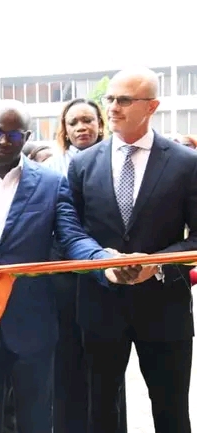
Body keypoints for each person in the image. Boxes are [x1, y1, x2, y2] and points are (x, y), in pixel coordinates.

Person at [0, 100, 121, 433]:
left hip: (32, 324)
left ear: (26, 136)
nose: (2, 141)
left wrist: (105, 262)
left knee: (36, 419)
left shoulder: (50, 183)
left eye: (13, 135)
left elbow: (72, 239)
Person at [68, 67, 197, 433]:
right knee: (102, 413)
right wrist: (102, 263)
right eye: (109, 98)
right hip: (99, 307)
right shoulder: (82, 163)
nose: (112, 107)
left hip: (164, 308)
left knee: (171, 413)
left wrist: (154, 265)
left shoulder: (186, 163)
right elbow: (70, 230)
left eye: (124, 100)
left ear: (151, 106)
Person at [40, 98, 123, 433]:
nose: (81, 128)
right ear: (64, 130)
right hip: (64, 280)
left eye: (87, 120)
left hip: (108, 276)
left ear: (100, 124)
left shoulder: (115, 163)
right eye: (73, 123)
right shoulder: (51, 169)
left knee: (106, 376)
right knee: (67, 371)